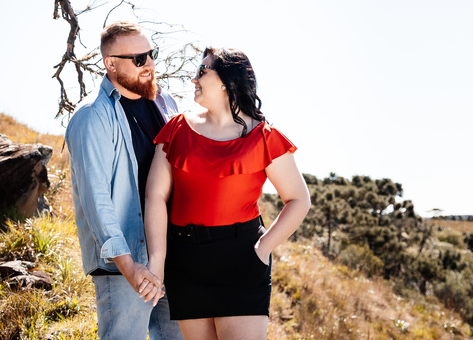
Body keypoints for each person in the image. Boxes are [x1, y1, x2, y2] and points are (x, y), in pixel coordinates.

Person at [144, 47, 311, 340]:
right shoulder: (177, 129)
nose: (193, 79)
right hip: (186, 263)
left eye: (202, 72)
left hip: (242, 261)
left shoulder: (264, 136)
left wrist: (262, 249)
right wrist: (157, 260)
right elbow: (155, 197)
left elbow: (299, 200)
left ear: (225, 80)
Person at [65, 21, 185, 340]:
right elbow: (96, 201)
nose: (149, 64)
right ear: (111, 63)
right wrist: (129, 266)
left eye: (152, 54)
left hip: (169, 258)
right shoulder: (92, 117)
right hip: (124, 267)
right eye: (139, 58)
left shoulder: (167, 105)